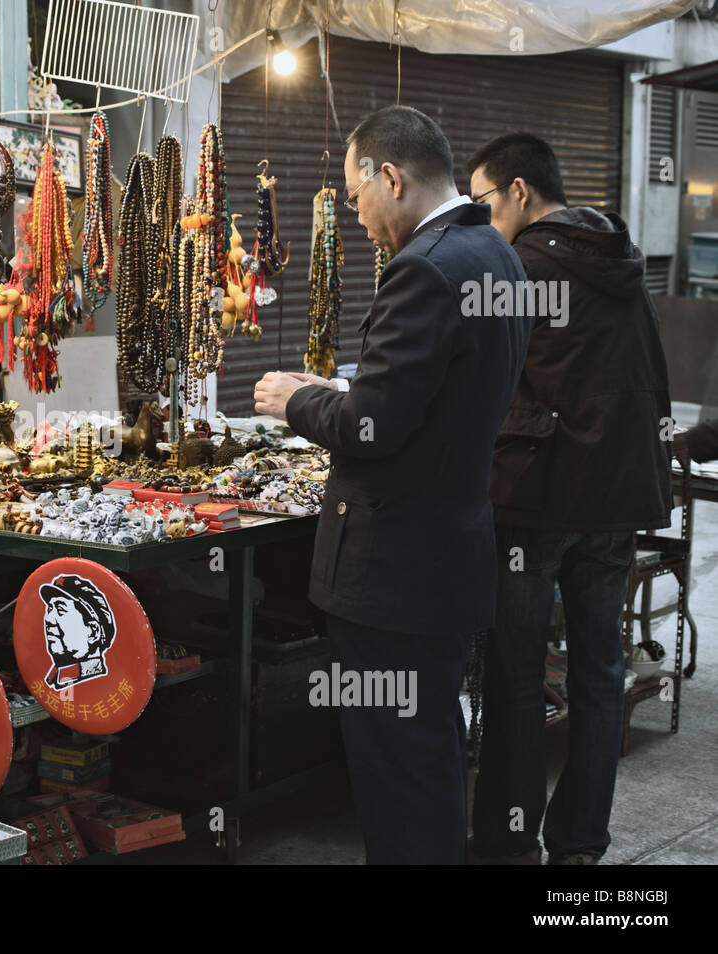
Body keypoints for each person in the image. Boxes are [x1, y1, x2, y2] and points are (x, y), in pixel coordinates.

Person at [253, 106, 530, 864]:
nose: (358, 214)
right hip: (446, 557)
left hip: (394, 573)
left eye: (355, 196)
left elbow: (374, 427)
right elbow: (427, 399)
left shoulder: (424, 268)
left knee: (396, 775)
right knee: (429, 758)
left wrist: (295, 400)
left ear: (391, 177)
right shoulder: (494, 253)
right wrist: (336, 388)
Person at [466, 133, 672, 865]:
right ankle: (580, 845)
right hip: (618, 501)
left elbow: (481, 382)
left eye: (484, 201)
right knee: (597, 673)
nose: (481, 218)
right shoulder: (620, 260)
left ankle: (508, 841)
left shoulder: (517, 266)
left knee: (517, 675)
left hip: (538, 500)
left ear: (519, 192)